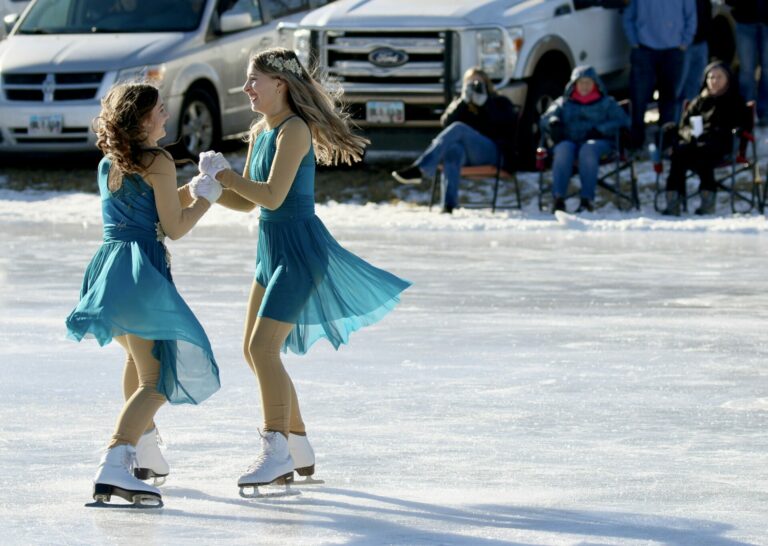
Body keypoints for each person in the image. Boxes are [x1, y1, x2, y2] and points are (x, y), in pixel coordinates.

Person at [194, 48, 411, 493]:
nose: (247, 89)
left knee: (264, 348)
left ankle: (276, 451)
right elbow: (250, 202)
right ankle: (298, 443)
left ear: (281, 84)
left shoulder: (294, 130)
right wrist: (215, 189)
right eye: (247, 81)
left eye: (254, 80)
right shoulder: (262, 131)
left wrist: (229, 176)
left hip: (298, 251)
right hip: (269, 250)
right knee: (253, 350)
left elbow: (273, 195)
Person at [65, 83, 222, 507]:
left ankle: (144, 452)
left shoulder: (111, 162)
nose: (166, 117)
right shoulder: (159, 160)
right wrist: (207, 196)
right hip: (142, 272)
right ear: (141, 120)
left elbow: (151, 204)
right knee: (157, 380)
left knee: (137, 361)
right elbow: (174, 227)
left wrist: (195, 186)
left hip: (109, 271)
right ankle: (114, 463)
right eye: (159, 112)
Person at [390, 67, 517, 214]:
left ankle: (421, 169)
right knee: (453, 150)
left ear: (486, 83)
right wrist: (463, 101)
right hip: (468, 156)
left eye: (477, 82)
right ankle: (448, 205)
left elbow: (507, 125)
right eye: (469, 83)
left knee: (459, 128)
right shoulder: (461, 103)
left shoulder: (500, 101)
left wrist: (486, 103)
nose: (473, 86)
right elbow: (445, 123)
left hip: (494, 153)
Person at [661, 62, 749, 216]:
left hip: (721, 145)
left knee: (702, 151)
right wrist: (692, 134)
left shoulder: (735, 101)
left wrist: (711, 133)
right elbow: (683, 126)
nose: (714, 81)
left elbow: (740, 127)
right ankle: (673, 200)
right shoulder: (698, 102)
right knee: (679, 152)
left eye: (719, 77)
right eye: (711, 77)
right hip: (694, 144)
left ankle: (707, 201)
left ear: (728, 79)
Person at [539, 65, 630, 213]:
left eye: (588, 82)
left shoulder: (607, 103)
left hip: (599, 144)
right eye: (581, 82)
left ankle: (587, 200)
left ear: (596, 83)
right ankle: (558, 198)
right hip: (570, 142)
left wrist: (600, 130)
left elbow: (624, 121)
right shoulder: (563, 102)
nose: (585, 86)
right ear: (574, 84)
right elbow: (545, 118)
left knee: (588, 149)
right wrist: (553, 122)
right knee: (563, 149)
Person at [622, 0, 697, 148]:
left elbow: (691, 16)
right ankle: (636, 140)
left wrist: (684, 42)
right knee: (639, 97)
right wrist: (634, 42)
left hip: (673, 50)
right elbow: (627, 16)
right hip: (644, 49)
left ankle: (665, 141)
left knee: (669, 98)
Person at [725, 0, 768, 125]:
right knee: (747, 70)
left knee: (767, 70)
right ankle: (746, 111)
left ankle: (764, 111)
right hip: (745, 21)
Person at [676, 0, 713, 117]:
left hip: (701, 41)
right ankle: (674, 125)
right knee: (677, 88)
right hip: (681, 45)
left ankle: (690, 123)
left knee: (695, 87)